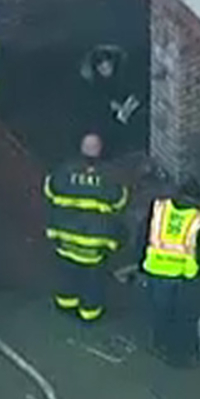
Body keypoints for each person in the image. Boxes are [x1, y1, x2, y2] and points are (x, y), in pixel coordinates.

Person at [43, 132, 129, 322]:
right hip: (92, 242)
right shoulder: (109, 175)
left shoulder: (65, 170)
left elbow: (49, 189)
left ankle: (65, 304)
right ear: (99, 151)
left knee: (67, 272)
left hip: (65, 238)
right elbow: (120, 200)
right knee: (92, 280)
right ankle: (89, 314)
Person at [140, 178, 200, 366]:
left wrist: (140, 263)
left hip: (155, 271)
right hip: (183, 277)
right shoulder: (199, 221)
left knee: (160, 312)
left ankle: (159, 344)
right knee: (181, 316)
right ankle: (178, 354)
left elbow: (143, 235)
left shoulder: (159, 208)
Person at [79, 43, 144, 151]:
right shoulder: (93, 81)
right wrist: (109, 104)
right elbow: (94, 99)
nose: (106, 70)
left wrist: (129, 104)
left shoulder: (123, 71)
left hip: (128, 106)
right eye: (102, 68)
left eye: (108, 66)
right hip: (107, 113)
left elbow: (135, 89)